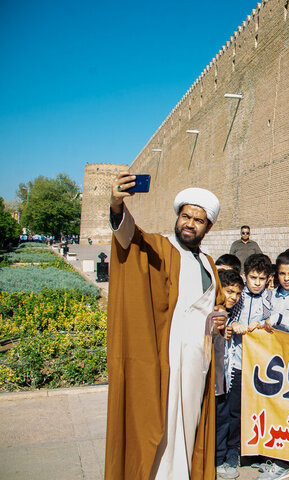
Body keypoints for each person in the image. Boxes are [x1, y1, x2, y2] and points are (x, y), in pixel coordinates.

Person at [105, 172, 225, 479]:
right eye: (186, 216)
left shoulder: (209, 262)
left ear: (207, 227)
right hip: (168, 356)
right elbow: (128, 237)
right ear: (178, 217)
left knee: (189, 424)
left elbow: (216, 303)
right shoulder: (159, 248)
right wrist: (117, 204)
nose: (190, 224)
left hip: (199, 360)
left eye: (198, 220)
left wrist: (218, 318)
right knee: (163, 422)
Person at [213, 269, 244, 479]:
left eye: (237, 293)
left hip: (223, 378)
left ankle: (221, 459)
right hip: (211, 378)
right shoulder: (215, 312)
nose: (233, 296)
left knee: (224, 418)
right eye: (229, 291)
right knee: (217, 419)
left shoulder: (230, 314)